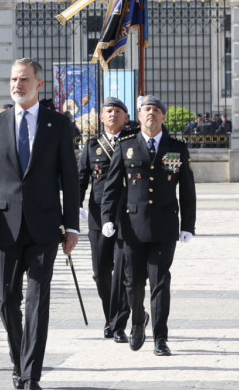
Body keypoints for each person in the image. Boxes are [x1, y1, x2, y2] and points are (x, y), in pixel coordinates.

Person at [0, 59, 81, 390]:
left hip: (45, 226)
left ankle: (31, 374)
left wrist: (72, 226)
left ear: (39, 84)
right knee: (6, 301)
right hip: (4, 226)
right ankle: (19, 361)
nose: (18, 84)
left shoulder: (57, 124)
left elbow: (71, 179)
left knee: (37, 300)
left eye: (24, 79)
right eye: (14, 79)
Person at [101, 95, 196, 357]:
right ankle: (137, 324)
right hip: (132, 226)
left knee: (160, 282)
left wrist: (188, 224)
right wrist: (108, 218)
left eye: (156, 110)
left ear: (163, 117)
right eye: (146, 110)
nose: (151, 113)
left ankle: (161, 338)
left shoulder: (176, 147)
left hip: (165, 225)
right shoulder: (126, 146)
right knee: (132, 283)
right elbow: (111, 187)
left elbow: (187, 190)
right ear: (139, 117)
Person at [77, 97, 134, 344]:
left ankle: (118, 322)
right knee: (101, 272)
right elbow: (81, 180)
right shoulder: (92, 147)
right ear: (101, 117)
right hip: (98, 216)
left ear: (127, 117)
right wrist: (74, 208)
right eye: (108, 111)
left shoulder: (134, 144)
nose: (113, 114)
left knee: (123, 271)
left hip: (128, 216)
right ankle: (113, 315)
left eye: (118, 111)